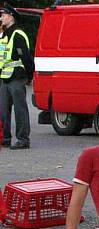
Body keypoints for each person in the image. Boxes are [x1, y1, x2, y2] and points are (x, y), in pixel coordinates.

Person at [0, 4, 33, 150]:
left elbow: (26, 57)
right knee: (3, 110)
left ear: (11, 16)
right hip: (5, 77)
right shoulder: (3, 35)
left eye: (4, 15)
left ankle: (23, 139)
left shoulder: (17, 34)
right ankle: (5, 138)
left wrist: (29, 76)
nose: (1, 18)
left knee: (20, 109)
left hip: (17, 77)